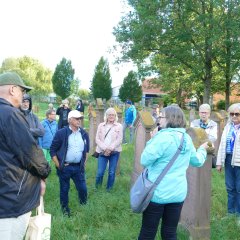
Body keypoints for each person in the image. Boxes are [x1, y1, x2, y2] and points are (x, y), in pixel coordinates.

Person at [138, 105, 209, 240]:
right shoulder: (186, 139)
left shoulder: (161, 138)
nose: (159, 120)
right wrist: (202, 149)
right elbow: (197, 161)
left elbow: (144, 159)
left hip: (156, 194)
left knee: (148, 232)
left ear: (170, 119)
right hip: (177, 194)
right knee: (170, 232)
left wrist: (152, 139)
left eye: (161, 117)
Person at [0, 72, 51, 239]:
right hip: (10, 201)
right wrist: (44, 173)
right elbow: (31, 153)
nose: (24, 96)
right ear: (13, 90)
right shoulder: (10, 114)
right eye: (22, 91)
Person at [50, 110, 89, 217]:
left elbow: (86, 150)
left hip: (78, 168)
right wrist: (59, 165)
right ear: (70, 120)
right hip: (65, 167)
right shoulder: (61, 133)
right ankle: (65, 210)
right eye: (76, 118)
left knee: (82, 188)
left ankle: (84, 206)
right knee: (64, 189)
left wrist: (83, 163)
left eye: (80, 118)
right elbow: (52, 150)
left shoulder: (84, 133)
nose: (79, 120)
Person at [216, 103, 240, 223]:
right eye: (232, 114)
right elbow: (222, 145)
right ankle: (231, 213)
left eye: (237, 114)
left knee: (239, 188)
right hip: (228, 159)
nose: (234, 116)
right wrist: (219, 162)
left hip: (239, 162)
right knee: (230, 188)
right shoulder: (228, 127)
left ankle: (239, 215)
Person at [95, 107, 123, 190]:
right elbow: (97, 139)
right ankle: (97, 188)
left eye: (113, 115)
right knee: (100, 172)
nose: (111, 116)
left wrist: (110, 148)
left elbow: (120, 139)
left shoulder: (119, 126)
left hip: (114, 152)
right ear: (106, 116)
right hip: (102, 152)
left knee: (111, 172)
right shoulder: (101, 125)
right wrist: (105, 148)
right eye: (109, 115)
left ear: (115, 116)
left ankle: (109, 189)